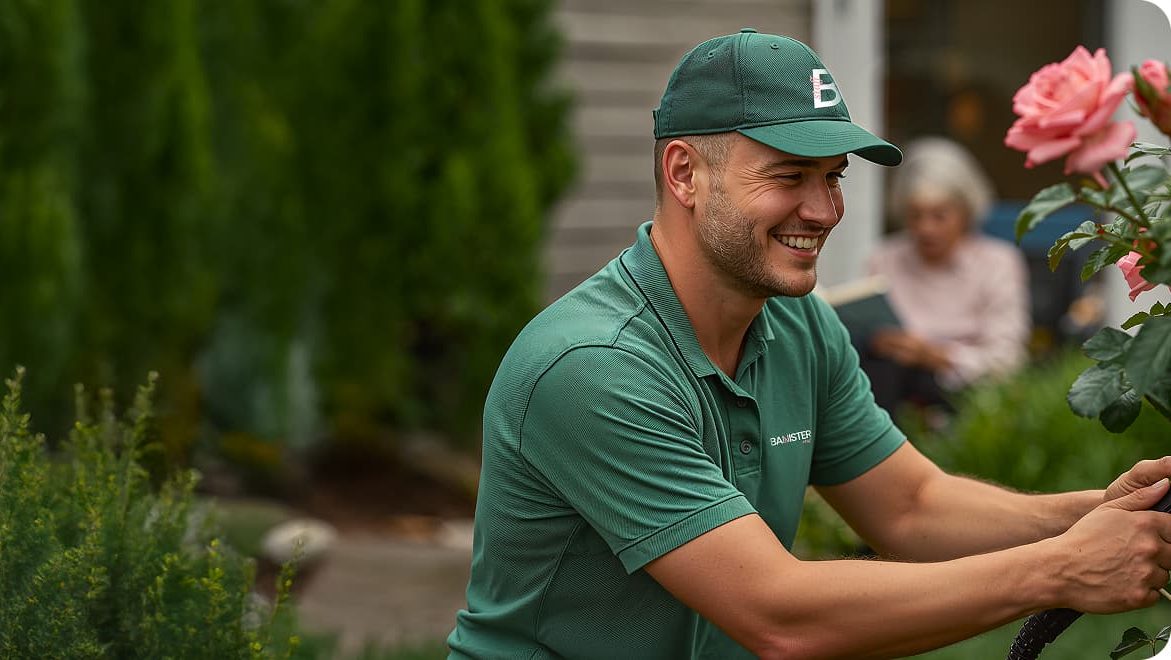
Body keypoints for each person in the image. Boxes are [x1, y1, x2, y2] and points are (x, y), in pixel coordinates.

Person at [446, 29, 1171, 659]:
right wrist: (1060, 569)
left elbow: (912, 507)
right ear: (683, 173)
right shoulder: (595, 366)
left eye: (833, 178)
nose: (824, 211)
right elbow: (779, 614)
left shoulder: (798, 323)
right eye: (789, 175)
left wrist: (1097, 513)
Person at [861, 136, 1030, 414]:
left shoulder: (998, 262)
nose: (926, 228)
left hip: (968, 399)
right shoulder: (883, 258)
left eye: (939, 215)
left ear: (965, 212)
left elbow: (1007, 362)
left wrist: (935, 357)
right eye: (916, 215)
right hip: (892, 390)